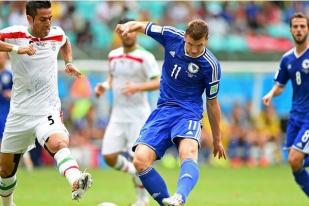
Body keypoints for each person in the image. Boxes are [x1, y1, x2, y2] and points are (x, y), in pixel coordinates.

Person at [115, 19, 226, 206]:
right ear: (184, 36)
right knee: (140, 160)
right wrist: (128, 26)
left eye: (198, 46)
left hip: (188, 113)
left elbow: (212, 103)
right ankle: (168, 203)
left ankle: (180, 197)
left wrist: (217, 139)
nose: (193, 50)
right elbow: (143, 26)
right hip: (163, 110)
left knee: (188, 151)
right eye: (190, 44)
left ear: (206, 40)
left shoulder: (211, 66)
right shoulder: (171, 36)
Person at [0, 1, 93, 205]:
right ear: (30, 19)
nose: (48, 23)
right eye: (43, 19)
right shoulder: (15, 33)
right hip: (20, 113)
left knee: (58, 142)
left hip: (47, 110)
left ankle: (76, 179)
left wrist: (68, 62)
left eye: (50, 17)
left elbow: (65, 41)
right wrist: (17, 49)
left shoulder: (56, 33)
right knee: (5, 170)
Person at [95, 17, 161, 206]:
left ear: (136, 32)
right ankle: (134, 172)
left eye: (132, 30)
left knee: (138, 158)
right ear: (120, 33)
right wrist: (104, 86)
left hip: (138, 116)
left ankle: (142, 200)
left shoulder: (145, 56)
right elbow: (111, 77)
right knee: (108, 156)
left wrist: (137, 87)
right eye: (124, 30)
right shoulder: (113, 55)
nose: (128, 34)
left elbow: (158, 82)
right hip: (117, 115)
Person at [263, 12, 309, 197]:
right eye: (296, 27)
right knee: (294, 162)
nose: (299, 30)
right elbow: (280, 85)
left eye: (302, 26)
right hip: (295, 115)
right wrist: (271, 93)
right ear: (290, 30)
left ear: (308, 29)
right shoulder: (287, 59)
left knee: (295, 157)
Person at [0, 52, 34, 172]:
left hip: (7, 112)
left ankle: (27, 164)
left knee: (10, 139)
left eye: (2, 57)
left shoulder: (9, 74)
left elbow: (19, 91)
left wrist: (10, 94)